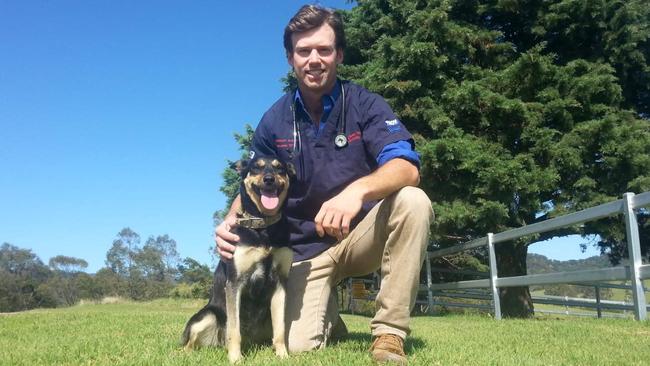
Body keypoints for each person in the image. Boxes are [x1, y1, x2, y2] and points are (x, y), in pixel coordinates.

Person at [215, 4, 433, 365]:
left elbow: (406, 167)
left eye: (324, 50)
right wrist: (229, 222)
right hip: (302, 252)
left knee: (413, 200)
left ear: (339, 54)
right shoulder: (273, 120)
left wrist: (356, 192)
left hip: (361, 235)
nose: (314, 59)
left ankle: (389, 336)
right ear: (290, 58)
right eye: (304, 51)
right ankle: (329, 316)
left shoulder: (367, 104)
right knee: (298, 346)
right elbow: (252, 183)